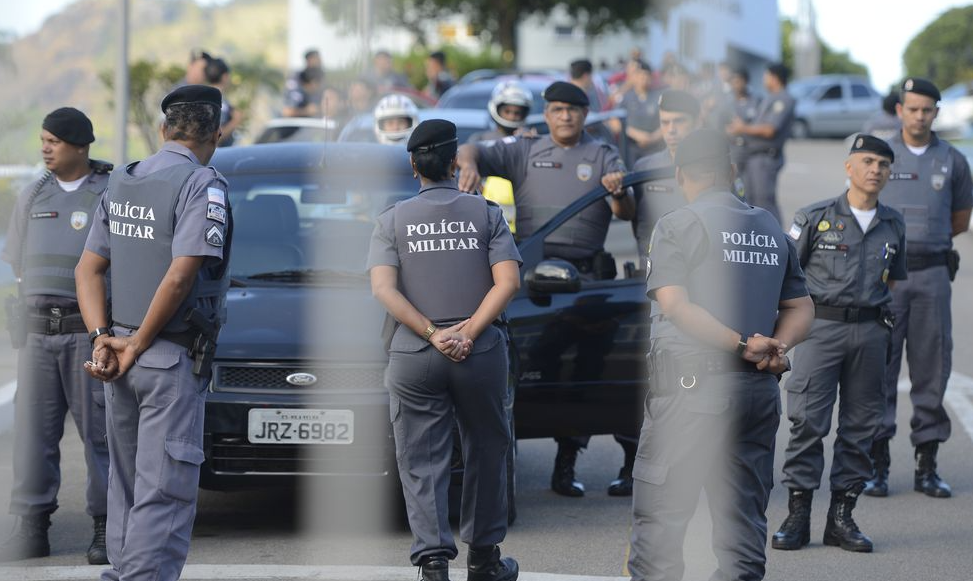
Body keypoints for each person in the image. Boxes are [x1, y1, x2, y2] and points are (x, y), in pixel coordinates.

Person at [628, 128, 813, 581]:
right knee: (743, 521)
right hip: (756, 391)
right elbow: (801, 306)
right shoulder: (769, 226)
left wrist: (739, 344)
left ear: (680, 175)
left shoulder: (678, 223)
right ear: (730, 172)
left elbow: (673, 302)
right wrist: (775, 348)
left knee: (663, 518)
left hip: (694, 391)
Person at [75, 84, 232, 581]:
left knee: (126, 482)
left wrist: (103, 336)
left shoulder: (122, 180)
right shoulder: (201, 183)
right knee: (164, 487)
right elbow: (182, 274)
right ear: (216, 135)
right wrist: (139, 342)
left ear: (164, 130)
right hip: (165, 356)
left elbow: (88, 270)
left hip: (116, 358)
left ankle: (122, 573)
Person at [456, 81, 638, 498]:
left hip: (588, 280)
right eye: (556, 109)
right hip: (534, 276)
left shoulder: (603, 154)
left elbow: (625, 212)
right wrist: (468, 164)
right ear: (548, 112)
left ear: (585, 114)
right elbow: (475, 150)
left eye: (573, 110)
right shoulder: (526, 149)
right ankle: (564, 463)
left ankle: (631, 463)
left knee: (605, 368)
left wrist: (619, 191)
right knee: (548, 370)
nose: (565, 117)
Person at [367, 119, 521, 581]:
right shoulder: (487, 213)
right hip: (480, 354)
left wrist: (434, 334)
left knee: (420, 458)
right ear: (455, 162)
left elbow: (383, 290)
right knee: (488, 449)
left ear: (413, 165)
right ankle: (485, 560)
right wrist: (469, 332)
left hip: (414, 355)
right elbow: (508, 282)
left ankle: (433, 563)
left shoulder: (391, 220)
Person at [773, 135, 906, 554]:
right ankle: (797, 516)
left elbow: (894, 280)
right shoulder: (815, 217)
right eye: (867, 161)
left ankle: (842, 519)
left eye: (884, 164)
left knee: (860, 428)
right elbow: (786, 275)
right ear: (849, 167)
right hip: (821, 328)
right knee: (808, 422)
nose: (875, 170)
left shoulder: (894, 223)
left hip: (870, 332)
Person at [0, 108, 111, 564]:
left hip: (86, 334)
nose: (45, 147)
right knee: (32, 436)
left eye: (54, 141)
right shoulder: (32, 195)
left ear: (80, 146)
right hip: (38, 336)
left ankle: (106, 528)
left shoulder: (108, 193)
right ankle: (31, 528)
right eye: (43, 139)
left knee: (101, 435)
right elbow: (19, 264)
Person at [866, 77, 973, 499]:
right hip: (886, 277)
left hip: (931, 276)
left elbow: (961, 219)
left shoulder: (952, 159)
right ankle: (877, 465)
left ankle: (926, 466)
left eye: (927, 109)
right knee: (880, 368)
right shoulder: (880, 156)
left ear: (936, 113)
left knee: (932, 367)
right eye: (912, 108)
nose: (919, 116)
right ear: (900, 111)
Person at [631, 89, 701, 266]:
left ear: (697, 122)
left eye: (679, 121)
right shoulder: (645, 168)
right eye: (665, 122)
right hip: (654, 269)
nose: (671, 130)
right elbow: (635, 218)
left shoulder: (716, 168)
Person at [727, 62, 795, 224]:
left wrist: (743, 128)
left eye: (766, 76)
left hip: (765, 158)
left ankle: (777, 241)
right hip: (752, 157)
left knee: (765, 203)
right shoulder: (770, 97)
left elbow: (770, 129)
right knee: (750, 201)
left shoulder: (783, 98)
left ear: (774, 77)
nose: (764, 79)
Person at [611, 60, 665, 166]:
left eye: (646, 75)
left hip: (655, 148)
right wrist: (636, 134)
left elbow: (667, 119)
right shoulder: (626, 97)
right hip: (632, 148)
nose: (643, 78)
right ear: (634, 77)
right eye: (640, 75)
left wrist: (652, 138)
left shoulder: (659, 96)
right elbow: (614, 123)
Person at [723, 68, 759, 189]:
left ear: (746, 82)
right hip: (733, 149)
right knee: (734, 186)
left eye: (739, 81)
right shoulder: (726, 102)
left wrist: (743, 128)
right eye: (733, 82)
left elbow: (760, 124)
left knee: (751, 188)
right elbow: (719, 124)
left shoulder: (756, 101)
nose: (736, 85)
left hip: (751, 150)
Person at [467, 80, 533, 144]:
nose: (512, 117)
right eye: (507, 112)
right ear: (497, 110)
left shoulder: (529, 139)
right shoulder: (480, 139)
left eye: (517, 113)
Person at [204, 57, 242, 147]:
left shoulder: (203, 96)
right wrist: (235, 121)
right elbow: (213, 137)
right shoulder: (218, 101)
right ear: (225, 77)